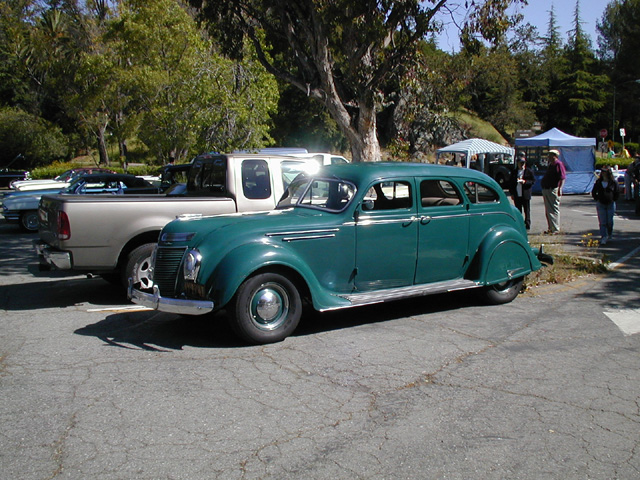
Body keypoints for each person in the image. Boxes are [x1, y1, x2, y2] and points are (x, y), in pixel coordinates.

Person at [591, 166, 619, 245]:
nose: (603, 173)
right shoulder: (599, 182)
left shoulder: (613, 182)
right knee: (602, 222)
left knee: (609, 221)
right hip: (601, 204)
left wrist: (614, 199)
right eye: (602, 172)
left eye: (605, 171)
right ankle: (603, 236)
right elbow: (594, 192)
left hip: (610, 204)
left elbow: (617, 192)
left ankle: (610, 233)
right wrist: (597, 198)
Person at [540, 149, 566, 234]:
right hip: (546, 188)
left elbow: (562, 178)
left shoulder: (558, 164)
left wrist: (560, 189)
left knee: (554, 209)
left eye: (550, 155)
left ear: (555, 156)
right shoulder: (551, 165)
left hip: (553, 188)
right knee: (548, 210)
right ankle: (550, 228)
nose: (549, 157)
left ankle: (555, 228)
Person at [508, 153, 535, 230]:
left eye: (523, 163)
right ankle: (519, 224)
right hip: (517, 193)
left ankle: (527, 224)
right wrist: (512, 193)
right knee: (518, 210)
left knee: (527, 210)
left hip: (525, 193)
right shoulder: (514, 172)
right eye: (521, 163)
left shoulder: (529, 171)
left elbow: (532, 181)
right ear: (518, 163)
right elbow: (511, 183)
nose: (522, 165)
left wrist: (525, 182)